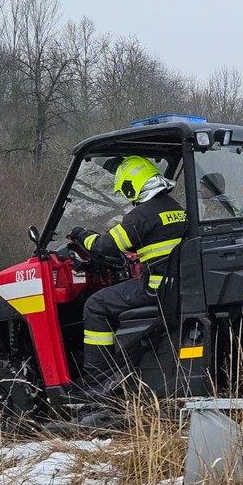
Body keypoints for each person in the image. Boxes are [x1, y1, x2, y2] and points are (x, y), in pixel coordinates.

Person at [68, 156, 186, 390]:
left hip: (155, 289)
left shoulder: (141, 215)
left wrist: (81, 234)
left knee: (96, 305)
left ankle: (97, 378)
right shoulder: (176, 209)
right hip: (176, 286)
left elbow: (103, 247)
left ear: (132, 186)